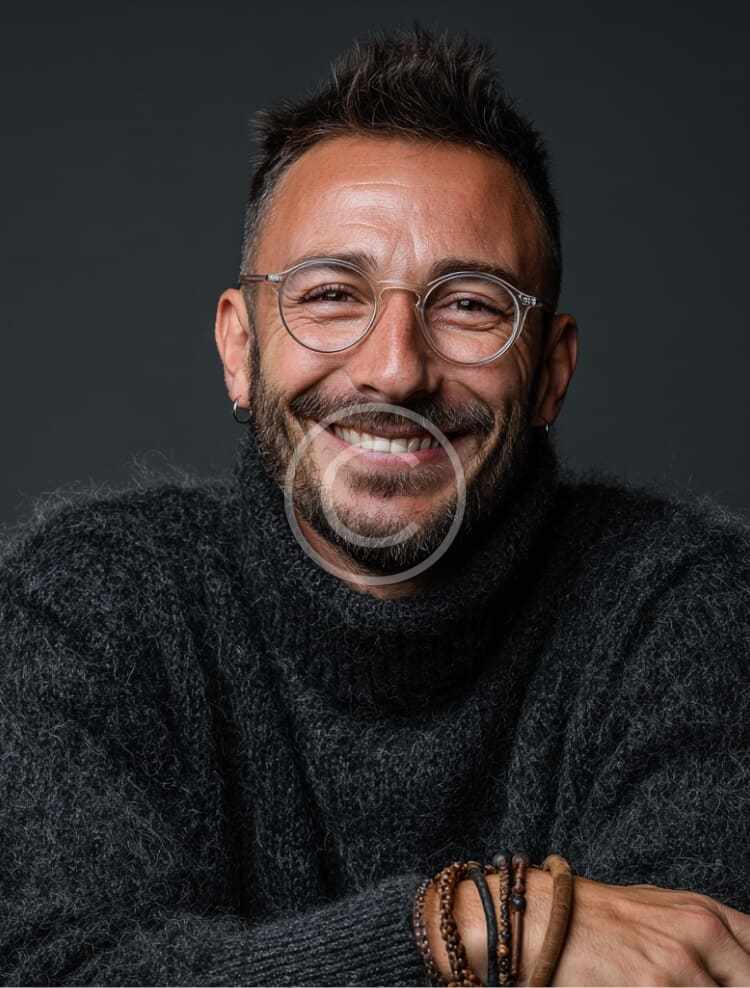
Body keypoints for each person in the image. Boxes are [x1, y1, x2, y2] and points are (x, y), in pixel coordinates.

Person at [1, 22, 749, 987]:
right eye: (330, 295)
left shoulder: (691, 615)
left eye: (470, 304)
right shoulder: (89, 607)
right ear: (240, 349)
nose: (395, 369)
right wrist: (468, 928)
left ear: (552, 373)